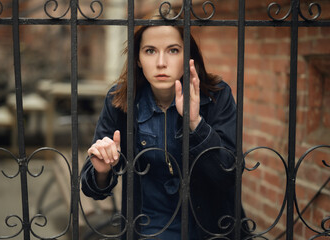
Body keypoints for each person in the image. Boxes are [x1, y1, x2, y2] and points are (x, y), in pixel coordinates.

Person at [81, 10, 248, 239]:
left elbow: (229, 175)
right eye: (150, 51)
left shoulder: (217, 97)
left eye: (173, 50)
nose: (161, 63)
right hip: (148, 229)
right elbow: (91, 187)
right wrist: (101, 171)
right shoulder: (120, 101)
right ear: (138, 59)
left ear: (188, 55)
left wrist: (195, 123)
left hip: (210, 230)